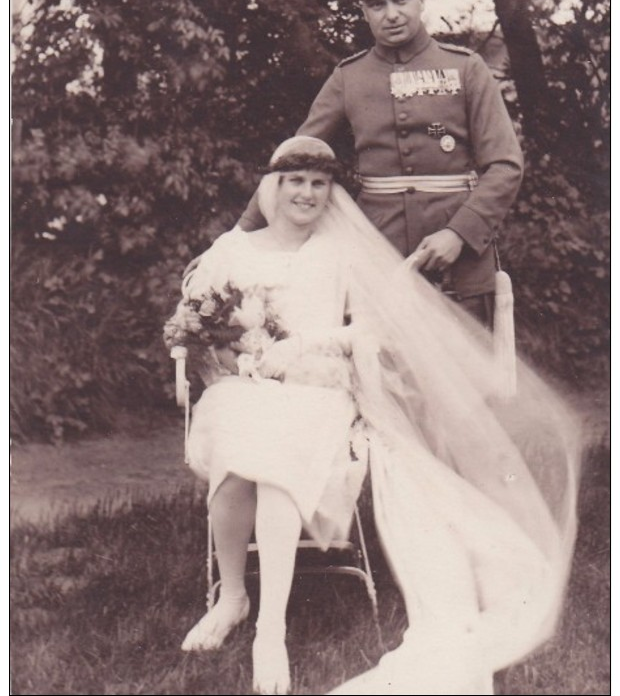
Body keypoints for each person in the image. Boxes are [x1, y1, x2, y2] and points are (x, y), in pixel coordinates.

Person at [165, 136, 580, 696]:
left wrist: (311, 344)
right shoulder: (232, 251)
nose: (306, 194)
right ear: (274, 188)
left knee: (271, 454)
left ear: (329, 192)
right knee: (245, 435)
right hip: (242, 390)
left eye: (318, 184)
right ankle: (233, 597)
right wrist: (237, 354)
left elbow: (374, 327)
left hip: (321, 391)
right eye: (295, 182)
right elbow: (196, 325)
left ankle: (271, 629)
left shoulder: (339, 254)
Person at [238, 0, 524, 326]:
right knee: (382, 383)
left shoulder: (466, 68)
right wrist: (238, 239)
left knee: (466, 384)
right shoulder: (349, 77)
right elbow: (292, 161)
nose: (392, 14)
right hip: (376, 254)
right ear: (364, 11)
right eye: (378, 4)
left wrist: (459, 232)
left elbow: (505, 166)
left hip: (458, 257)